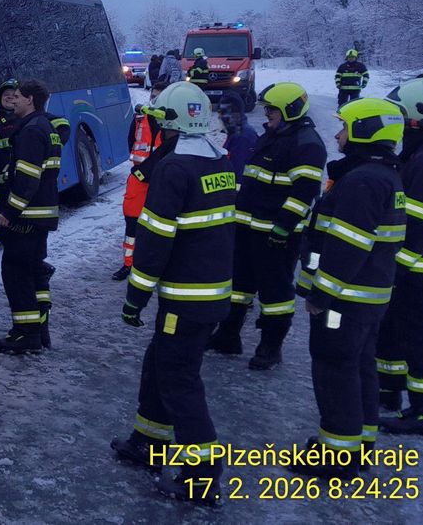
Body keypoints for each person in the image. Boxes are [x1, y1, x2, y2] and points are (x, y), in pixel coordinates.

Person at [110, 81, 236, 504]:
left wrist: (135, 299)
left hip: (186, 298)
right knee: (158, 364)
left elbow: (155, 239)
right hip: (208, 292)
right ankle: (149, 443)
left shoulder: (174, 170)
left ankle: (202, 477)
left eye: (160, 119)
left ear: (175, 122)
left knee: (180, 381)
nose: (156, 126)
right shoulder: (217, 162)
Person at [289, 98, 405, 479]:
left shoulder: (364, 181)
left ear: (364, 131)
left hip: (345, 300)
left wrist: (321, 295)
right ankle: (358, 443)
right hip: (366, 298)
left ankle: (336, 456)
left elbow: (347, 246)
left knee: (334, 369)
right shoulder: (382, 174)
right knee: (359, 368)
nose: (338, 133)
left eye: (344, 127)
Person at [208, 82, 326, 370]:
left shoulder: (307, 144)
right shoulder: (272, 135)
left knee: (275, 294)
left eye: (272, 110)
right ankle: (228, 336)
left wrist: (284, 226)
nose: (267, 114)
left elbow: (304, 193)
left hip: (275, 236)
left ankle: (270, 348)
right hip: (248, 229)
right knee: (239, 286)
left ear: (290, 110)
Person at [377, 78, 423, 435]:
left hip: (419, 268)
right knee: (395, 328)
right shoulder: (421, 151)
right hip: (413, 266)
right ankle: (390, 391)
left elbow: (420, 224)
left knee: (416, 335)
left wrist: (394, 266)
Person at [0, 80, 63, 354]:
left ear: (31, 100)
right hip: (40, 216)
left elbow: (26, 179)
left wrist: (9, 213)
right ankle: (38, 327)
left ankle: (26, 334)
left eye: (19, 97)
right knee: (33, 270)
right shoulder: (46, 127)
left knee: (16, 274)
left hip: (26, 217)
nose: (13, 101)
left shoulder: (32, 131)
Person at [112, 82, 167, 281]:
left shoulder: (173, 122)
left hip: (163, 180)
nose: (155, 99)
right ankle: (128, 264)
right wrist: (140, 170)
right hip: (138, 178)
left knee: (161, 225)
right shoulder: (140, 118)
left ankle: (158, 266)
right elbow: (131, 143)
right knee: (131, 223)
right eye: (153, 95)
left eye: (159, 96)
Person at [217, 91, 258, 177]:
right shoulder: (236, 133)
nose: (219, 117)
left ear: (235, 113)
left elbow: (237, 173)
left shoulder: (242, 138)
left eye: (223, 112)